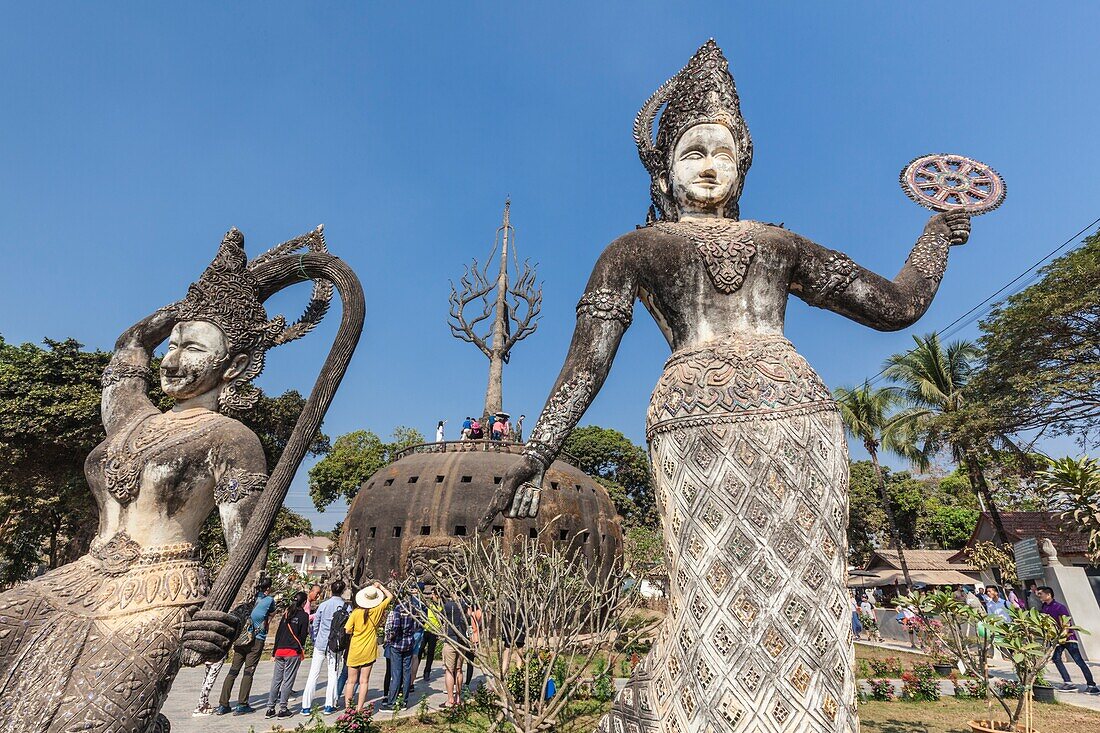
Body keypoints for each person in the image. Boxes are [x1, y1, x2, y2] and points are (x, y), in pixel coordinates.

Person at [217, 578, 276, 715]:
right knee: (248, 672)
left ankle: (223, 704)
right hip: (256, 640)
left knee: (233, 671)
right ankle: (242, 704)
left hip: (240, 639)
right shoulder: (269, 600)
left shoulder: (248, 600)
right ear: (268, 588)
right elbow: (272, 614)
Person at [301, 580, 350, 716]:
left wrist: (316, 638)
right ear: (343, 591)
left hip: (321, 643)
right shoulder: (346, 607)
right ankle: (330, 704)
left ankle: (306, 706)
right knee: (333, 674)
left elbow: (316, 623)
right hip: (336, 645)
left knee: (313, 674)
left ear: (331, 590)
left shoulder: (323, 605)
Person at [1037, 586, 1100, 693]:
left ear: (1048, 595)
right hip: (1056, 639)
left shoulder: (1060, 607)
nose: (1039, 596)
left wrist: (1063, 637)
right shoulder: (1044, 607)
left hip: (1068, 638)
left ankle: (1092, 685)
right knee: (1056, 659)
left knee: (1079, 661)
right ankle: (1068, 683)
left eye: (1040, 594)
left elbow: (1066, 623)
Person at [343, 581, 393, 711]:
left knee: (351, 681)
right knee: (364, 681)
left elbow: (347, 629)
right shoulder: (377, 610)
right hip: (369, 648)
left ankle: (348, 708)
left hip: (355, 648)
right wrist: (380, 587)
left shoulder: (355, 613)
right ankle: (360, 708)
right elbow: (390, 597)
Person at [265, 591, 311, 719]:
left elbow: (279, 633)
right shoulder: (304, 616)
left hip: (280, 650)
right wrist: (300, 648)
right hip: (292, 652)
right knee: (287, 680)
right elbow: (302, 636)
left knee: (276, 680)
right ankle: (283, 709)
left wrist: (274, 652)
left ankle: (270, 708)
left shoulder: (287, 613)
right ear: (304, 602)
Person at [383, 593, 423, 709]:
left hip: (397, 644)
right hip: (409, 643)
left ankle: (392, 702)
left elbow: (395, 627)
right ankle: (404, 701)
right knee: (406, 673)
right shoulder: (413, 610)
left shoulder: (398, 609)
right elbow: (417, 625)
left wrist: (390, 637)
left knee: (396, 674)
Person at [440, 592, 469, 707]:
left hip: (450, 639)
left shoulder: (447, 606)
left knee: (448, 670)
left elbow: (442, 619)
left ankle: (450, 699)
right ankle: (458, 698)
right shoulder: (464, 605)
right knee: (459, 670)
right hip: (461, 641)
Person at [421, 591, 444, 682]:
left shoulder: (441, 608)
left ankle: (427, 671)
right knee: (420, 651)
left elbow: (442, 622)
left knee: (431, 653)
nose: (432, 596)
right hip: (425, 630)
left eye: (433, 594)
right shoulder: (428, 606)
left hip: (434, 632)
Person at [466, 602, 483, 686]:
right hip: (468, 638)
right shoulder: (476, 612)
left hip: (473, 639)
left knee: (469, 662)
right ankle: (462, 683)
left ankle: (467, 683)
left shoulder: (476, 612)